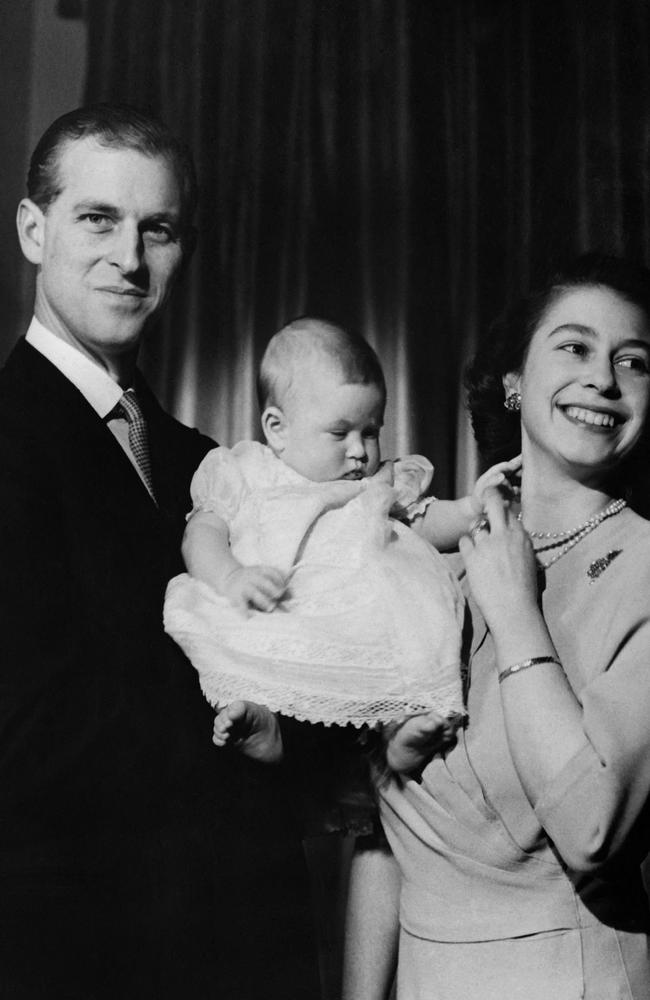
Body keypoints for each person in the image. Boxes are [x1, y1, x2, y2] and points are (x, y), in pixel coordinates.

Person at [0, 104, 320, 999]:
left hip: (241, 949)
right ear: (34, 230)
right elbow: (23, 735)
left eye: (159, 229)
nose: (130, 259)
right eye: (97, 219)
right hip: (79, 954)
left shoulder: (205, 462)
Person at [344, 253, 650, 999]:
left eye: (633, 362)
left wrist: (516, 617)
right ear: (513, 382)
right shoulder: (426, 565)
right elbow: (381, 830)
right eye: (574, 347)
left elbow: (589, 831)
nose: (604, 380)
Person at [164, 318, 517, 739]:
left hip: (358, 614)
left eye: (371, 432)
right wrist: (230, 576)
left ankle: (394, 737)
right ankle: (267, 723)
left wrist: (472, 507)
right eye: (339, 432)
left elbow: (423, 522)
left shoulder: (376, 484)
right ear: (277, 429)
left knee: (401, 648)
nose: (358, 452)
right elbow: (201, 533)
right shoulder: (245, 472)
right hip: (279, 605)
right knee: (238, 645)